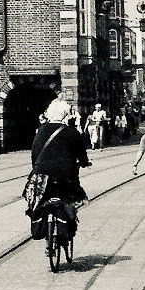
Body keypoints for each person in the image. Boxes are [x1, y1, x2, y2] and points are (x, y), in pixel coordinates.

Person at [29, 98, 91, 235]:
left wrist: (36, 168)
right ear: (66, 115)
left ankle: (42, 226)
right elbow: (81, 152)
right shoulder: (71, 132)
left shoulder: (41, 130)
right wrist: (84, 162)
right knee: (71, 198)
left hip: (41, 175)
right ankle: (69, 224)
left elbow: (34, 153)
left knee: (39, 199)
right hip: (65, 175)